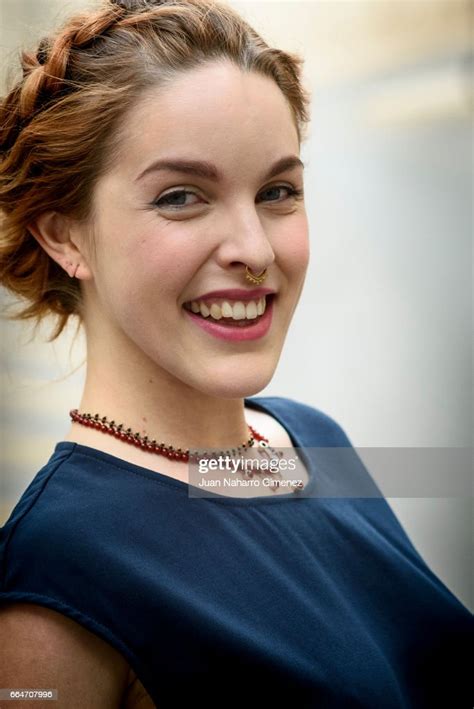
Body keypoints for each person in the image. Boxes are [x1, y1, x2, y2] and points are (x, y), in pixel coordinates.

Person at [0, 0, 472, 707]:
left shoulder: (311, 436)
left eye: (277, 190)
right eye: (183, 196)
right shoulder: (55, 583)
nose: (254, 250)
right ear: (63, 234)